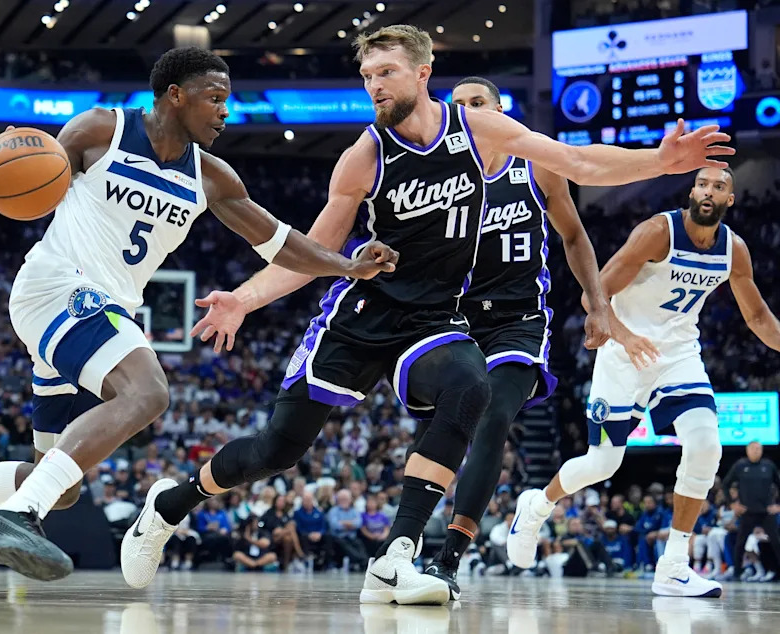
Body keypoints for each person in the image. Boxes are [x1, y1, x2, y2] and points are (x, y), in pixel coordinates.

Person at [128, 24, 734, 606]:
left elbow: (577, 163)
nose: (375, 86)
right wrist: (245, 298)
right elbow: (311, 251)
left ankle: (395, 556)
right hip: (364, 312)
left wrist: (659, 161)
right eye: (367, 75)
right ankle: (171, 504)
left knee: (472, 385)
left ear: (423, 72)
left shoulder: (480, 128)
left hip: (435, 319)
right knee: (276, 451)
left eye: (386, 72)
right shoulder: (364, 156)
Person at [0, 46, 397, 584]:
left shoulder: (212, 177)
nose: (226, 112)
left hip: (101, 312)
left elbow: (278, 243)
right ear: (174, 95)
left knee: (59, 483)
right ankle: (15, 517)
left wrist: (346, 265)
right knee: (148, 393)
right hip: (59, 288)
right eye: (215, 99)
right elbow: (39, 162)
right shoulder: (102, 129)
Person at [506, 166, 780, 598]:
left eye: (719, 187)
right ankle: (536, 506)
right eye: (704, 184)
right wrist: (627, 336)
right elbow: (593, 295)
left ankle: (673, 564)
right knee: (602, 464)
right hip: (622, 350)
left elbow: (759, 318)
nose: (709, 191)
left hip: (678, 356)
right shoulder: (658, 232)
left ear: (731, 200)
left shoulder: (734, 250)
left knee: (707, 443)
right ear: (692, 192)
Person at [421, 75, 616, 591]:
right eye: (458, 105)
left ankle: (450, 557)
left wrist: (597, 304)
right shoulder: (435, 173)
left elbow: (573, 234)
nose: (468, 112)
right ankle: (405, 544)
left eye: (478, 103)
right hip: (456, 319)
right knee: (447, 425)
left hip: (518, 319)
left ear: (500, 109)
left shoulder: (534, 163)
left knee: (492, 417)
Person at [721, 441, 780, 580]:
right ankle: (737, 573)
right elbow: (725, 484)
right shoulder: (740, 465)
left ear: (762, 450)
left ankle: (776, 571)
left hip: (766, 511)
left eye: (759, 448)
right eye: (753, 448)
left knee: (776, 542)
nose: (756, 451)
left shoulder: (768, 465)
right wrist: (733, 504)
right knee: (740, 543)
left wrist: (778, 505)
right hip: (747, 511)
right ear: (747, 450)